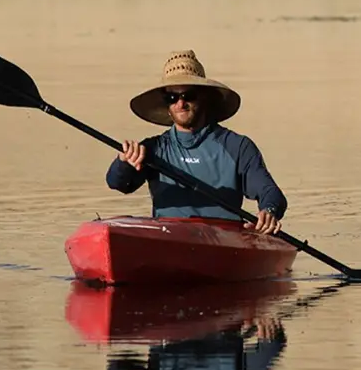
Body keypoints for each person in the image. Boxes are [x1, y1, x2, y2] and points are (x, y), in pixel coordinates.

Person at [105, 50, 286, 234]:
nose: (180, 104)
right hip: (168, 238)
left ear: (205, 98)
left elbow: (270, 192)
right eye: (172, 98)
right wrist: (123, 162)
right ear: (167, 105)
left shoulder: (237, 147)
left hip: (225, 241)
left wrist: (269, 211)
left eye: (188, 95)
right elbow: (117, 183)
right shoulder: (153, 149)